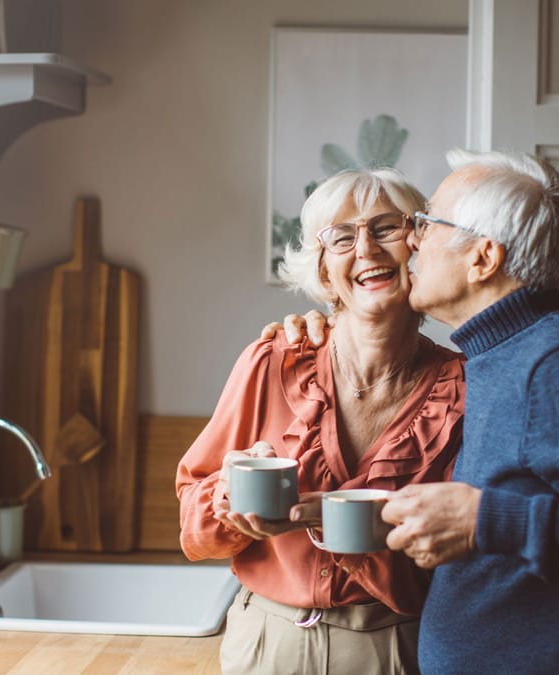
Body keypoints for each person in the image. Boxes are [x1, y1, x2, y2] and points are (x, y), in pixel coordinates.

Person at [273, 149, 559, 674]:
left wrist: (481, 521)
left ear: (483, 259)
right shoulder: (499, 356)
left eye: (426, 223)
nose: (410, 240)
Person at [176, 168, 466, 675]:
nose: (367, 250)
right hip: (267, 642)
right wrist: (229, 496)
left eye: (386, 229)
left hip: (399, 647)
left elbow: (466, 555)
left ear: (417, 248)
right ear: (325, 271)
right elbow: (193, 527)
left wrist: (365, 531)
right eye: (342, 238)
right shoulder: (273, 360)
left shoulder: (463, 389)